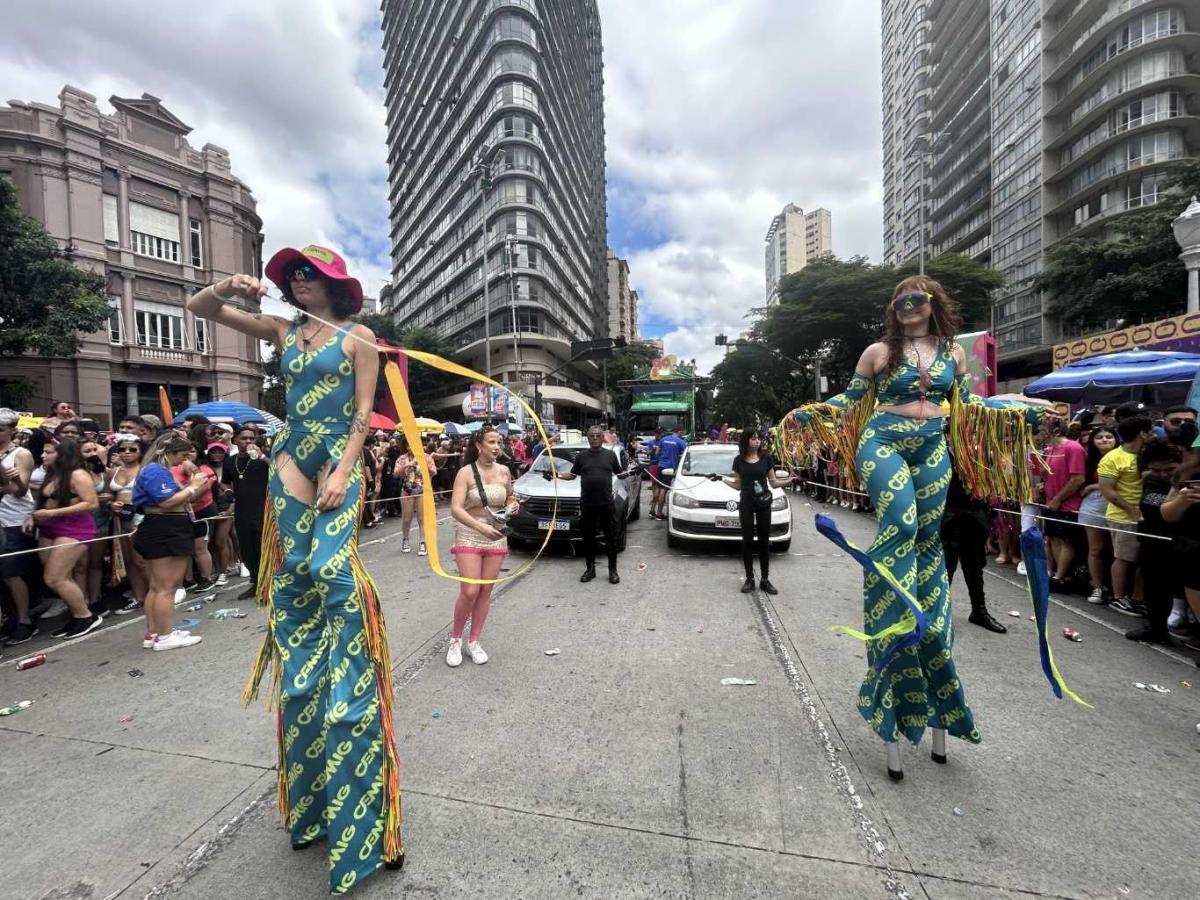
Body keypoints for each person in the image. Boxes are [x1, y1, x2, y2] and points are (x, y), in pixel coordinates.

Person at [187, 244, 404, 888]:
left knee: (335, 570)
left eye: (311, 274)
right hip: (291, 457)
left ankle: (351, 670)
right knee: (295, 575)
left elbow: (364, 412)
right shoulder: (284, 331)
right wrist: (230, 286)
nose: (299, 282)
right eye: (293, 275)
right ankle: (308, 673)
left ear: (335, 284)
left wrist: (344, 468)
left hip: (338, 453)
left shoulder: (358, 335)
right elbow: (199, 308)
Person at [781, 275, 1044, 780]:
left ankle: (930, 616)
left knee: (928, 539)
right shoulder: (879, 352)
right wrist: (807, 414)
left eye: (916, 299)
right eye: (900, 299)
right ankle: (889, 613)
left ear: (932, 304)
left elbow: (969, 407)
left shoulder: (953, 354)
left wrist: (1020, 407)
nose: (907, 305)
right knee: (900, 525)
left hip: (932, 446)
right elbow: (850, 402)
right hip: (884, 440)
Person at [447, 427, 517, 667]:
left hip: (496, 536)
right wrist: (480, 527)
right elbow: (456, 508)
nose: (497, 446)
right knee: (469, 591)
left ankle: (474, 641)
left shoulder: (505, 471)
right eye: (492, 442)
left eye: (499, 442)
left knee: (486, 592)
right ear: (479, 445)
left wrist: (512, 505)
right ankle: (455, 639)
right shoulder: (465, 473)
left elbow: (510, 497)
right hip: (469, 534)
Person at [131, 434, 206, 652]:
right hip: (167, 529)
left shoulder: (156, 471)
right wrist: (192, 486)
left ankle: (155, 632)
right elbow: (167, 502)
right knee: (167, 588)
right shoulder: (155, 470)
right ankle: (164, 636)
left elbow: (182, 499)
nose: (182, 460)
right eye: (181, 455)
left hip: (162, 528)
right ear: (168, 452)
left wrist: (194, 484)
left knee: (156, 587)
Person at [25, 439, 103, 638]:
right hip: (48, 529)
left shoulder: (78, 474)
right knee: (61, 577)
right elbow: (44, 502)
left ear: (62, 454)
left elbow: (91, 503)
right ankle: (77, 615)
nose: (43, 456)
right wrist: (32, 516)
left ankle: (86, 616)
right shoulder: (53, 474)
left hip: (74, 528)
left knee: (54, 577)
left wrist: (52, 514)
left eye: (48, 452)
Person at [1125, 440, 1182, 644]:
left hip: (1185, 543)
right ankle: (1157, 629)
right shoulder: (1150, 480)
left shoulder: (1190, 478)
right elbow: (1153, 512)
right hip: (1154, 541)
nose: (1163, 474)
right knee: (1156, 589)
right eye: (1157, 470)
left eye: (1169, 469)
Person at [1098, 415, 1153, 616]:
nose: (1153, 434)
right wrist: (1131, 509)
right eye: (1150, 431)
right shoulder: (1113, 458)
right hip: (1122, 517)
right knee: (1123, 558)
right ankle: (1119, 598)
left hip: (1147, 517)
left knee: (1141, 560)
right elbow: (1107, 490)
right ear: (1141, 434)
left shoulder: (1147, 454)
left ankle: (1138, 598)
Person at [724, 429, 790, 595]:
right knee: (747, 540)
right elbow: (738, 485)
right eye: (753, 438)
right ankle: (749, 579)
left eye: (758, 438)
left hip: (763, 502)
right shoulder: (738, 460)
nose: (757, 441)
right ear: (746, 441)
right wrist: (726, 481)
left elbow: (773, 483)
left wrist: (789, 481)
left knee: (764, 540)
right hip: (746, 502)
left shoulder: (766, 458)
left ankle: (765, 580)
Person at [941, 464, 1006, 633]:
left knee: (975, 567)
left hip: (976, 513)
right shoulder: (943, 447)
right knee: (946, 567)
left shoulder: (982, 449)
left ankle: (979, 611)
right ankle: (939, 613)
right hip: (950, 513)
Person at [558, 426, 623, 585]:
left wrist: (634, 472)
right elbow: (572, 475)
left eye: (598, 435)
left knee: (611, 538)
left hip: (606, 503)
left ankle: (612, 571)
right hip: (587, 504)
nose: (594, 438)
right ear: (588, 438)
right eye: (592, 436)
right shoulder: (582, 456)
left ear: (602, 438)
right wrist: (556, 474)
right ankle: (590, 569)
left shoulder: (610, 455)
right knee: (588, 538)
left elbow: (620, 473)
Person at [0, 408, 38, 645]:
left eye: (1, 429)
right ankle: (10, 617)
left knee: (11, 572)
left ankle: (24, 620)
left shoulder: (20, 453)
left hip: (15, 518)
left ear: (12, 430)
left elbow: (21, 489)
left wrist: (9, 479)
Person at [221, 426, 270, 602]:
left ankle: (270, 584)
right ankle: (256, 582)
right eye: (244, 438)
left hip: (263, 509)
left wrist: (262, 456)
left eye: (251, 438)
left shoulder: (262, 459)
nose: (248, 442)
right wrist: (228, 492)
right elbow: (225, 482)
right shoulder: (229, 462)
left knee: (263, 548)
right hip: (242, 511)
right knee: (247, 550)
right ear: (235, 440)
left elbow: (279, 471)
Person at [1040, 417, 1087, 592]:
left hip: (1067, 504)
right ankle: (1055, 574)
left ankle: (1062, 577)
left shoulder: (1073, 448)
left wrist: (1058, 499)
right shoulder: (1051, 449)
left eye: (1041, 430)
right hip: (1051, 502)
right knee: (1052, 538)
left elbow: (1078, 478)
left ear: (1055, 430)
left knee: (1064, 540)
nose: (1038, 434)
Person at [109, 435, 150, 615]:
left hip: (141, 517)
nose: (126, 453)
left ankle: (156, 594)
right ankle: (138, 597)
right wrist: (111, 504)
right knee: (130, 561)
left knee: (142, 561)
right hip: (120, 520)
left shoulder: (145, 470)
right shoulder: (113, 471)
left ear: (141, 452)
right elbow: (107, 495)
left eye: (132, 449)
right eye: (122, 449)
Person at [1078, 426, 1117, 604]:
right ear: (1093, 441)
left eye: (1109, 436)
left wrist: (1095, 486)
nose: (1104, 440)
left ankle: (1116, 590)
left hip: (1118, 505)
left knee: (1116, 550)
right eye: (1099, 437)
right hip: (1093, 506)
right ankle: (1098, 586)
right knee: (1096, 548)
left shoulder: (1126, 457)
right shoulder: (1088, 459)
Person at [395, 435, 435, 556]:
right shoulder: (402, 458)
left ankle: (423, 542)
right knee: (407, 519)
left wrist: (425, 466)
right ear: (407, 446)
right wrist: (407, 465)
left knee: (422, 518)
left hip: (422, 489)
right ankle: (405, 539)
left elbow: (434, 472)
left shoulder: (426, 457)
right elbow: (396, 474)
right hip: (407, 490)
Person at [651, 424, 688, 520]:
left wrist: (664, 456)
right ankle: (659, 514)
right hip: (670, 468)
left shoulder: (663, 439)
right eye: (682, 433)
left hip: (660, 466)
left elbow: (657, 453)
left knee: (658, 488)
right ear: (679, 432)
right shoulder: (681, 442)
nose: (682, 435)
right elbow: (687, 456)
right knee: (664, 490)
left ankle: (652, 511)